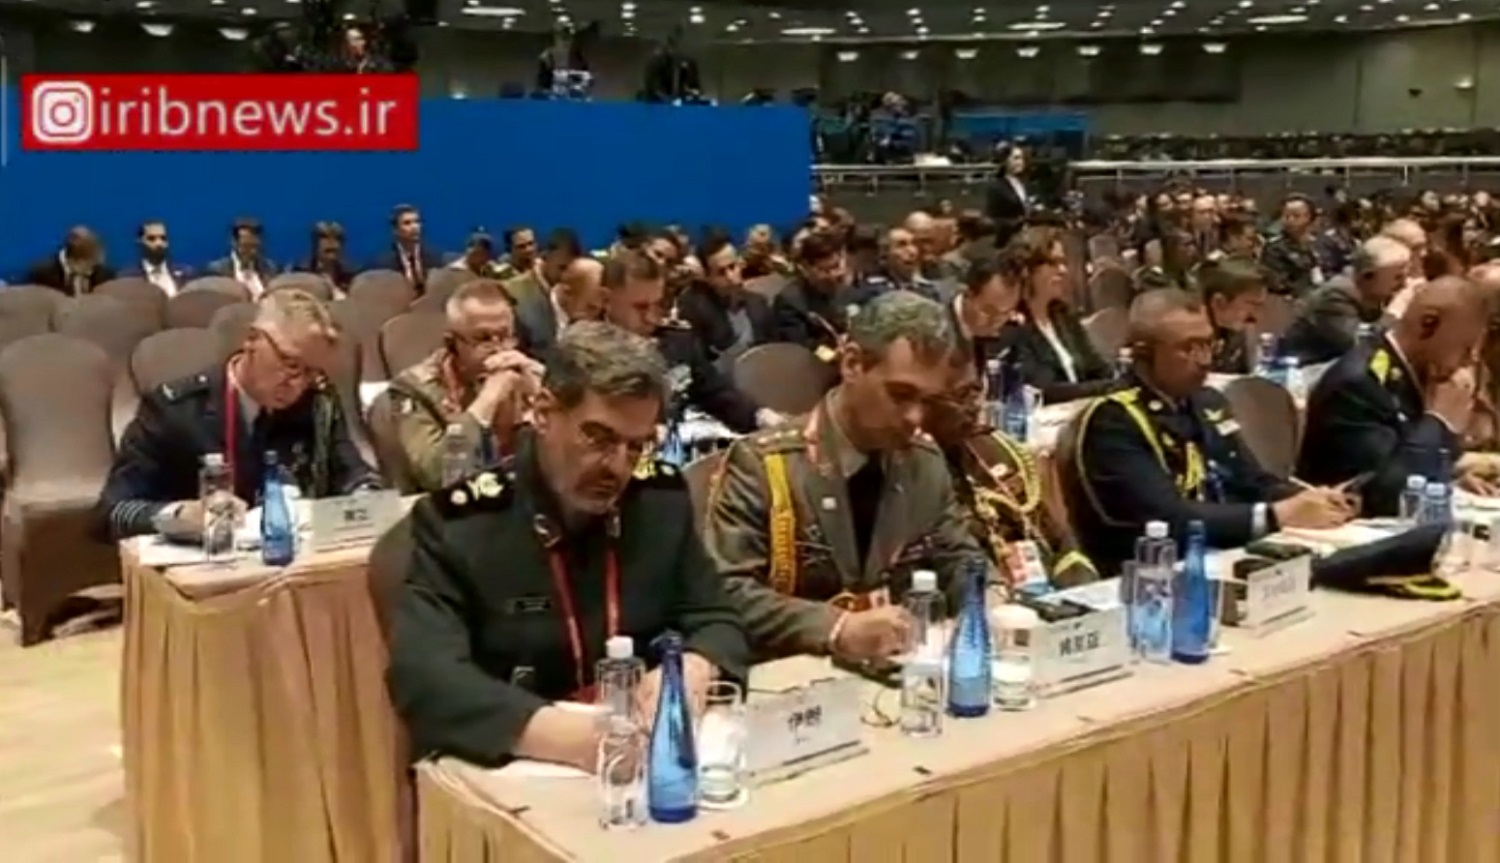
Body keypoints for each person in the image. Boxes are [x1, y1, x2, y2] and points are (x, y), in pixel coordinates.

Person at [386, 322, 749, 770]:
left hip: (647, 755)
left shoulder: (659, 500)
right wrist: (570, 739)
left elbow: (717, 617)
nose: (617, 467)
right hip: (522, 764)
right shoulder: (462, 523)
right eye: (598, 438)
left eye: (637, 446)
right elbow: (425, 677)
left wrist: (694, 668)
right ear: (542, 412)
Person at [703, 291, 991, 662]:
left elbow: (959, 556)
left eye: (929, 401)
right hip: (795, 671)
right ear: (852, 364)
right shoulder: (764, 464)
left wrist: (989, 595)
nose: (914, 417)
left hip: (901, 666)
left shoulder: (924, 461)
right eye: (900, 395)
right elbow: (726, 592)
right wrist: (837, 628)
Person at [1063, 290, 1353, 575]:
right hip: (1152, 576)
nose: (1205, 360)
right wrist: (1277, 515)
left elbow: (1250, 480)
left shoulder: (1207, 401)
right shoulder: (1112, 421)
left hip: (1223, 555)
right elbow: (1169, 519)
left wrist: (1312, 500)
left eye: (1209, 344)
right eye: (1188, 348)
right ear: (1144, 354)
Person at [97, 290, 378, 539]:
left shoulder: (317, 402)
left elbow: (352, 472)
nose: (297, 383)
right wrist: (180, 515)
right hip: (210, 564)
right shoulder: (177, 410)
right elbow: (112, 512)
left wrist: (368, 498)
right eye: (291, 364)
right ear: (251, 340)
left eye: (311, 372)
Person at [1298, 276, 1494, 514]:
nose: (1470, 359)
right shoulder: (1359, 384)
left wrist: (1449, 477)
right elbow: (1387, 493)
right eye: (1465, 346)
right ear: (1428, 324)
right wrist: (1438, 420)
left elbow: (1410, 460)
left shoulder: (1410, 372)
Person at [926, 337, 1097, 587]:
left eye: (976, 391)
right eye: (960, 396)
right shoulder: (913, 470)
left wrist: (1080, 590)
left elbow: (1060, 540)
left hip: (1043, 593)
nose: (974, 407)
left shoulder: (998, 449)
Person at [387, 280, 544, 491]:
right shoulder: (413, 389)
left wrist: (541, 397)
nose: (499, 349)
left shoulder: (529, 373)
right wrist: (486, 402)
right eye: (483, 339)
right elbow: (438, 476)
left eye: (505, 336)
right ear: (451, 342)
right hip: (459, 503)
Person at [601, 250, 770, 433]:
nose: (651, 318)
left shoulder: (677, 339)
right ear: (606, 300)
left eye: (658, 304)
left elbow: (714, 392)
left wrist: (758, 416)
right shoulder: (590, 354)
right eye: (640, 307)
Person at [999, 226, 1114, 403]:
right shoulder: (1011, 325)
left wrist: (1115, 382)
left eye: (1063, 262)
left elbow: (1098, 369)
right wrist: (1104, 388)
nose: (1063, 270)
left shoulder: (1063, 316)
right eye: (1053, 263)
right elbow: (1042, 389)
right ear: (1026, 270)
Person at [1281, 236, 1409, 365]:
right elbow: (1361, 345)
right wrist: (1393, 313)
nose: (1404, 284)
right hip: (1305, 366)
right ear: (1368, 276)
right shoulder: (1336, 296)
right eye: (1398, 278)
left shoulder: (1376, 292)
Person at [1197, 257, 1267, 375]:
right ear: (1219, 303)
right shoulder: (1188, 339)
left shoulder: (1234, 332)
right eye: (1253, 304)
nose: (1258, 315)